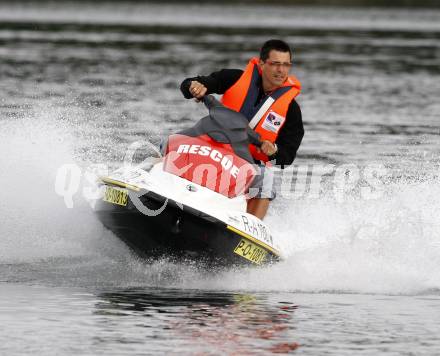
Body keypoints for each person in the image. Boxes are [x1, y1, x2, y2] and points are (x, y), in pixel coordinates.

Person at [180, 39, 304, 219]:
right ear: (262, 64)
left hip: (246, 164)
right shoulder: (234, 79)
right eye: (275, 64)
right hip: (212, 149)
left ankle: (251, 227)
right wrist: (193, 86)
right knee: (172, 142)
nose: (281, 70)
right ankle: (142, 185)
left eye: (286, 65)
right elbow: (190, 84)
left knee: (267, 179)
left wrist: (273, 150)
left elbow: (286, 158)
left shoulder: (291, 110)